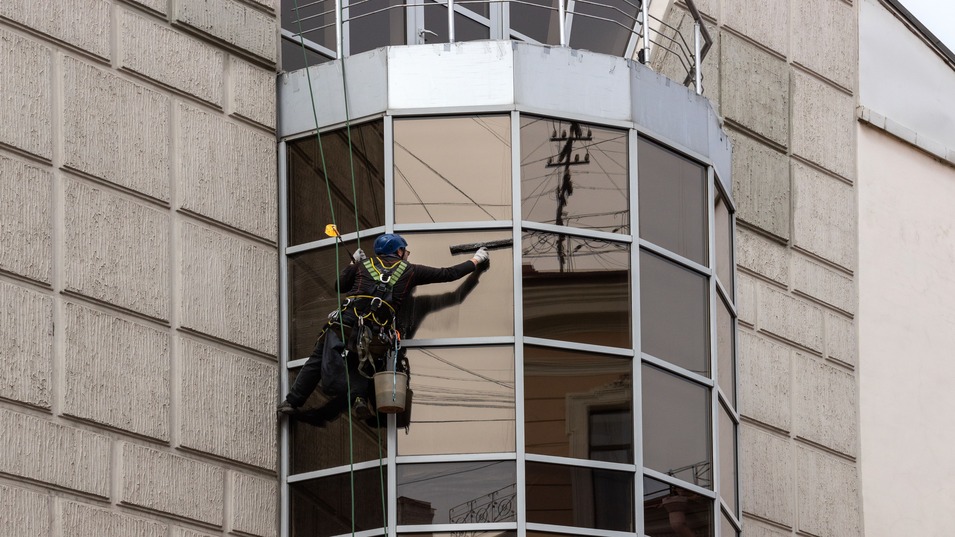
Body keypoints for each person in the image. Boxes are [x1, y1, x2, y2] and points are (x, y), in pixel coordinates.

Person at [278, 232, 489, 420]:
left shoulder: (363, 266)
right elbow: (448, 274)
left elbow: (339, 286)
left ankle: (291, 402)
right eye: (405, 250)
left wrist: (352, 265)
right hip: (374, 329)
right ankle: (360, 399)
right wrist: (475, 260)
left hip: (345, 321)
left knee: (317, 359)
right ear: (397, 251)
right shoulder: (410, 271)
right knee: (368, 362)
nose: (407, 254)